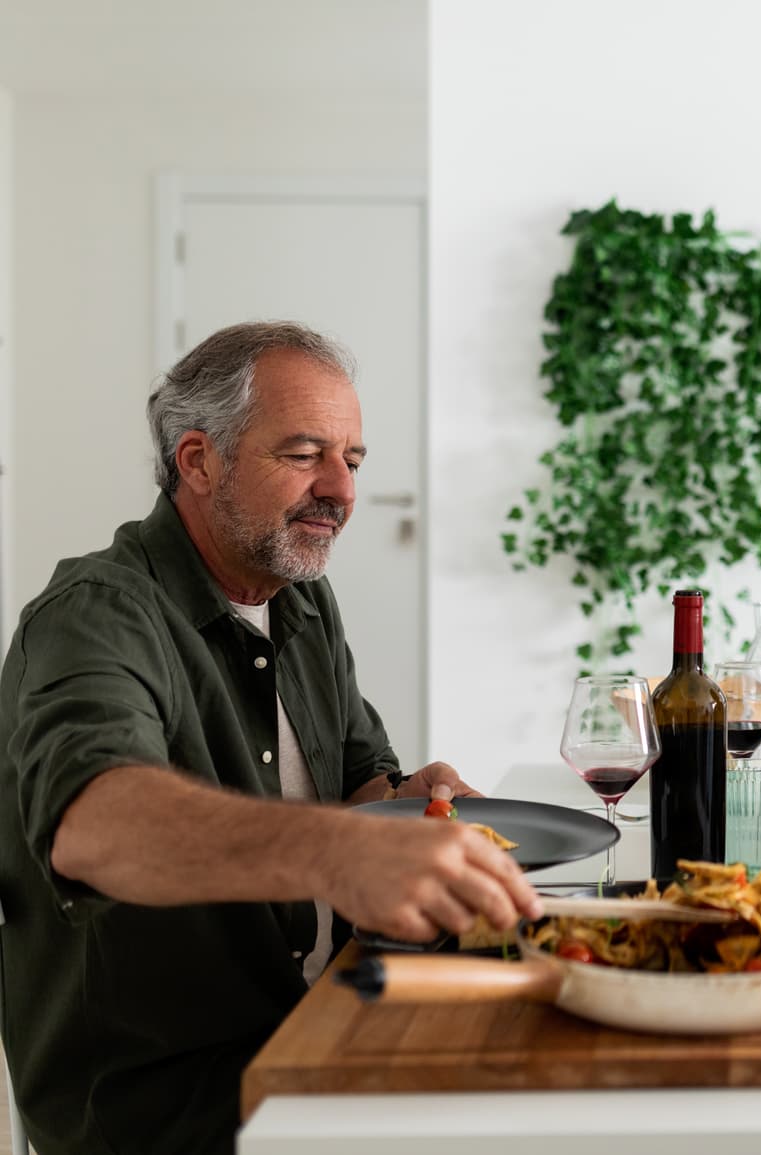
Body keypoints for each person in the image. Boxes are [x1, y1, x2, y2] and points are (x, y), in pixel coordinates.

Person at [0, 322, 544, 1155]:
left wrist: (411, 806)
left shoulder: (298, 594)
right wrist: (335, 851)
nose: (341, 490)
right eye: (303, 454)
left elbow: (360, 778)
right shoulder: (95, 613)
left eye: (353, 460)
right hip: (167, 1107)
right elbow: (94, 822)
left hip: (317, 1020)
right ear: (197, 460)